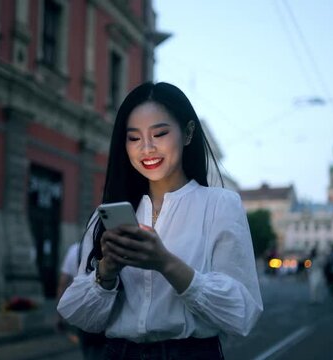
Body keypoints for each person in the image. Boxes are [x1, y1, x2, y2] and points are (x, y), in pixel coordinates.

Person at [57, 81, 263, 359]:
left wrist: (165, 262)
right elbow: (79, 314)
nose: (147, 148)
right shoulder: (105, 215)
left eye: (160, 133)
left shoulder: (219, 204)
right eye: (134, 138)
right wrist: (107, 270)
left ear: (188, 133)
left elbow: (242, 313)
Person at [56, 242, 106, 360]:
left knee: (89, 351)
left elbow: (63, 283)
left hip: (84, 313)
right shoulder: (105, 247)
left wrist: (59, 315)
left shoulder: (75, 250)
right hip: (105, 310)